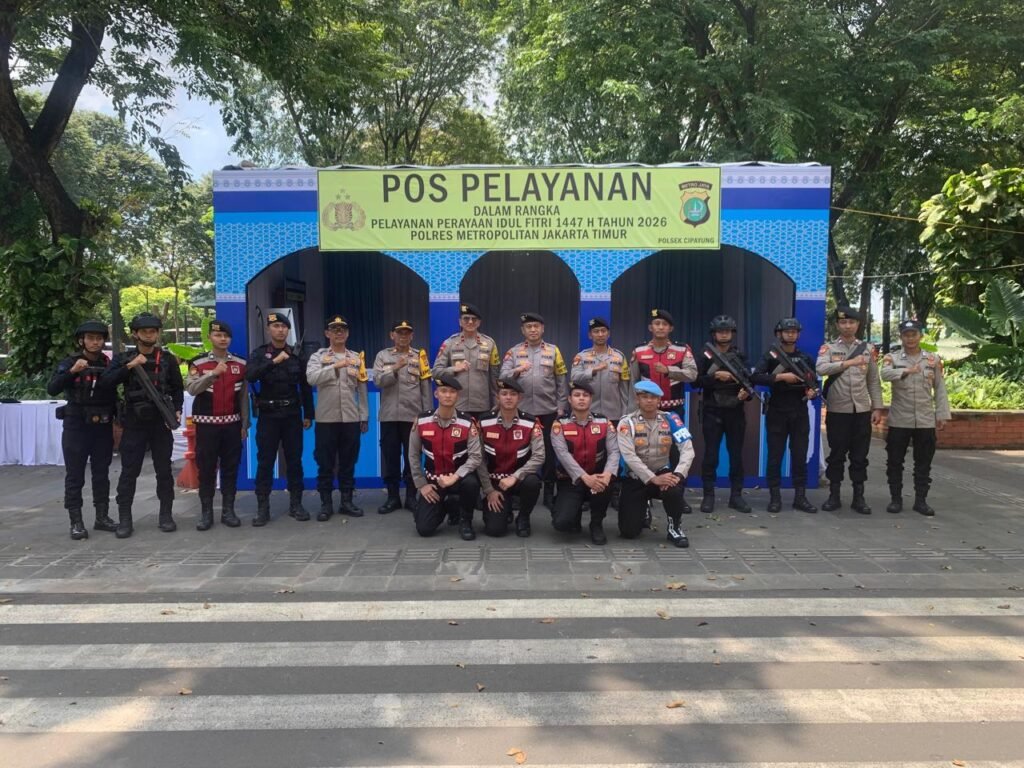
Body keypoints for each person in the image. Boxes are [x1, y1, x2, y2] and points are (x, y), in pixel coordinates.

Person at [101, 312, 184, 538]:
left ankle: (166, 515)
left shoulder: (166, 359)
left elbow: (177, 388)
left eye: (153, 331)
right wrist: (129, 366)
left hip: (160, 422)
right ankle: (125, 518)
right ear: (135, 334)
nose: (149, 335)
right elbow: (106, 382)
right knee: (129, 471)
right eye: (145, 331)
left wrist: (176, 409)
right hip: (134, 422)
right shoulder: (123, 358)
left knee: (164, 470)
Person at [47, 320, 117, 539]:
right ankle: (76, 521)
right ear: (82, 341)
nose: (95, 342)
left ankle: (102, 517)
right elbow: (52, 388)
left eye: (99, 339)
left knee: (101, 473)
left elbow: (116, 393)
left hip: (102, 425)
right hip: (76, 425)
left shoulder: (109, 364)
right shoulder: (70, 362)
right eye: (91, 338)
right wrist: (72, 371)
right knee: (75, 475)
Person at [246, 311, 314, 526]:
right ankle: (262, 508)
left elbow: (305, 386)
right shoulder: (259, 354)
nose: (280, 330)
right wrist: (274, 362)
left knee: (294, 461)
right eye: (276, 326)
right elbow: (250, 375)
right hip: (269, 415)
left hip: (292, 415)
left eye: (284, 327)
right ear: (269, 330)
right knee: (265, 461)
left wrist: (308, 414)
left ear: (288, 330)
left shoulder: (297, 355)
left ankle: (296, 504)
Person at [815, 306, 884, 514]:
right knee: (836, 454)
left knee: (859, 456)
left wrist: (877, 407)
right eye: (843, 322)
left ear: (857, 324)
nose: (847, 326)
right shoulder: (828, 348)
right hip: (838, 410)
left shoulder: (868, 349)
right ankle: (834, 495)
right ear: (837, 325)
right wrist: (848, 363)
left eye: (851, 322)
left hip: (861, 411)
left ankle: (858, 497)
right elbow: (821, 369)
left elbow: (873, 381)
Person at [880, 318, 951, 516]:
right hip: (899, 419)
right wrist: (906, 371)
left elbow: (940, 389)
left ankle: (921, 500)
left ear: (921, 336)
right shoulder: (892, 358)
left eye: (914, 334)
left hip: (925, 419)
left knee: (923, 462)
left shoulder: (932, 360)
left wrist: (942, 414)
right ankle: (896, 499)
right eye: (906, 335)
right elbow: (884, 374)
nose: (910, 338)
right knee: (895, 461)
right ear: (901, 337)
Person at [500, 312, 568, 508]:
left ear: (542, 329)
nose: (532, 330)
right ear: (523, 330)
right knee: (520, 451)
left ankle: (548, 492)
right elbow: (502, 376)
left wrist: (561, 406)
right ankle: (517, 491)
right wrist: (517, 370)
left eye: (536, 326)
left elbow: (561, 380)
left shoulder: (554, 351)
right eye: (528, 327)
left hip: (548, 411)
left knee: (548, 452)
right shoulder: (514, 352)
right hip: (522, 412)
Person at [184, 319, 248, 531]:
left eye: (226, 336)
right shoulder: (199, 363)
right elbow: (192, 389)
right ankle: (206, 513)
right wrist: (213, 374)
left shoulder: (241, 364)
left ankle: (229, 511)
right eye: (218, 335)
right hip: (207, 426)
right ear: (210, 337)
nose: (222, 339)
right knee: (206, 469)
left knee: (231, 468)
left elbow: (243, 397)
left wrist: (245, 424)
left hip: (232, 425)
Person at [752, 318, 819, 513]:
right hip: (777, 411)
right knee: (775, 456)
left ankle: (800, 497)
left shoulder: (805, 358)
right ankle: (775, 498)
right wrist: (780, 377)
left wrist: (812, 392)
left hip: (799, 411)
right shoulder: (771, 355)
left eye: (794, 331)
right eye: (787, 331)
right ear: (779, 334)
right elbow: (755, 377)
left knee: (799, 455)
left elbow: (813, 383)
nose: (791, 334)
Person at [617, 380, 694, 547]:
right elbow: (629, 456)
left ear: (659, 400)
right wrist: (652, 478)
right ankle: (643, 506)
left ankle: (675, 528)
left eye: (653, 397)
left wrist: (678, 474)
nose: (649, 400)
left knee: (674, 489)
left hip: (661, 472)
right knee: (629, 532)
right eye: (644, 397)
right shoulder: (627, 423)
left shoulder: (671, 419)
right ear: (637, 399)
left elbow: (688, 449)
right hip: (635, 477)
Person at [307, 314, 369, 519]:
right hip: (326, 419)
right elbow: (311, 378)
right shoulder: (318, 357)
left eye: (343, 329)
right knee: (325, 463)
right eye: (334, 329)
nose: (339, 332)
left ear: (348, 333)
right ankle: (326, 504)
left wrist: (364, 416)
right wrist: (334, 366)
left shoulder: (356, 358)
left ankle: (346, 501)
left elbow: (362, 389)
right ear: (327, 333)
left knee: (348, 463)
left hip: (350, 419)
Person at [409, 373, 482, 541]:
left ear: (458, 395)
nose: (448, 395)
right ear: (436, 394)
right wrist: (422, 485)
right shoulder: (422, 421)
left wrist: (455, 477)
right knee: (424, 529)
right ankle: (447, 506)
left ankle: (465, 521)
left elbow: (475, 457)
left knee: (471, 483)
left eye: (452, 392)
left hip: (459, 479)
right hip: (434, 481)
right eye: (443, 391)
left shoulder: (467, 422)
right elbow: (413, 455)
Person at [372, 320, 433, 514]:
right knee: (390, 457)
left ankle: (411, 497)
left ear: (412, 336)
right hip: (389, 416)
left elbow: (425, 388)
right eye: (399, 333)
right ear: (392, 335)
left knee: (412, 457)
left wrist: (427, 416)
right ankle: (392, 497)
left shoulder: (420, 356)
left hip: (412, 417)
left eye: (407, 333)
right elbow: (377, 381)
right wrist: (395, 368)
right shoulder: (383, 356)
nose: (403, 336)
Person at [551, 379, 620, 545]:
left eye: (585, 395)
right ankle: (572, 514)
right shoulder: (560, 424)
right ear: (569, 399)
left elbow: (614, 451)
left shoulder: (603, 422)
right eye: (577, 395)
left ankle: (596, 524)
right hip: (571, 480)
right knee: (562, 524)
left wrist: (607, 474)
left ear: (591, 399)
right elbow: (563, 455)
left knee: (605, 484)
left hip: (597, 478)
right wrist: (584, 477)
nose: (581, 398)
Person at [695, 315, 752, 513]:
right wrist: (715, 376)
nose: (724, 334)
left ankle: (736, 496)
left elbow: (749, 381)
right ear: (714, 334)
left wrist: (746, 393)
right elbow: (695, 381)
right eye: (720, 331)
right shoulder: (705, 355)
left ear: (732, 334)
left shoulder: (740, 356)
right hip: (712, 411)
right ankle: (708, 496)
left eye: (727, 331)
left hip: (735, 412)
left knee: (736, 455)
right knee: (711, 455)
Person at [476, 377, 545, 537]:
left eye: (513, 394)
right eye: (504, 393)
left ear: (519, 398)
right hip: (495, 483)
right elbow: (478, 458)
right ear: (497, 397)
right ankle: (503, 510)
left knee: (533, 482)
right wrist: (488, 490)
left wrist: (515, 477)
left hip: (519, 480)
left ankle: (523, 517)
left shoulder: (531, 422)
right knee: (495, 530)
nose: (508, 397)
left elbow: (539, 456)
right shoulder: (484, 422)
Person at [432, 302, 500, 422]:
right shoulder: (449, 343)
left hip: (482, 405)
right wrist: (454, 369)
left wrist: (496, 403)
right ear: (460, 322)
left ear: (479, 322)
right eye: (466, 318)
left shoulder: (490, 343)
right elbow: (435, 372)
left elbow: (494, 377)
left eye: (474, 319)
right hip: (457, 405)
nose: (470, 322)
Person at [629, 309, 697, 417]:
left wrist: (669, 371)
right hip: (647, 410)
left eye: (665, 324)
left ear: (671, 328)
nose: (660, 327)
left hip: (675, 410)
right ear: (650, 327)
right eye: (657, 324)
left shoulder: (682, 349)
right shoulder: (639, 351)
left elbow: (692, 374)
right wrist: (632, 412)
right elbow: (633, 383)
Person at [571, 317, 631, 423]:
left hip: (614, 414)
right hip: (588, 414)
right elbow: (574, 378)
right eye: (596, 331)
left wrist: (625, 414)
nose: (600, 334)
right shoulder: (581, 357)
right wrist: (593, 370)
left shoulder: (619, 357)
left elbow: (624, 388)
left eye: (603, 331)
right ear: (590, 335)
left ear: (608, 334)